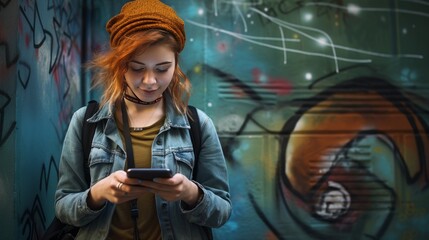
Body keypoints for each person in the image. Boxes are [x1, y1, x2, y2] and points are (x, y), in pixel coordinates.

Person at [54, 0, 232, 239]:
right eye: (137, 68)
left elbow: (221, 212)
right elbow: (64, 208)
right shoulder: (86, 122)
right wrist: (97, 194)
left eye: (162, 69)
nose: (150, 81)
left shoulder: (197, 125)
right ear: (120, 65)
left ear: (176, 65)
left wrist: (190, 193)